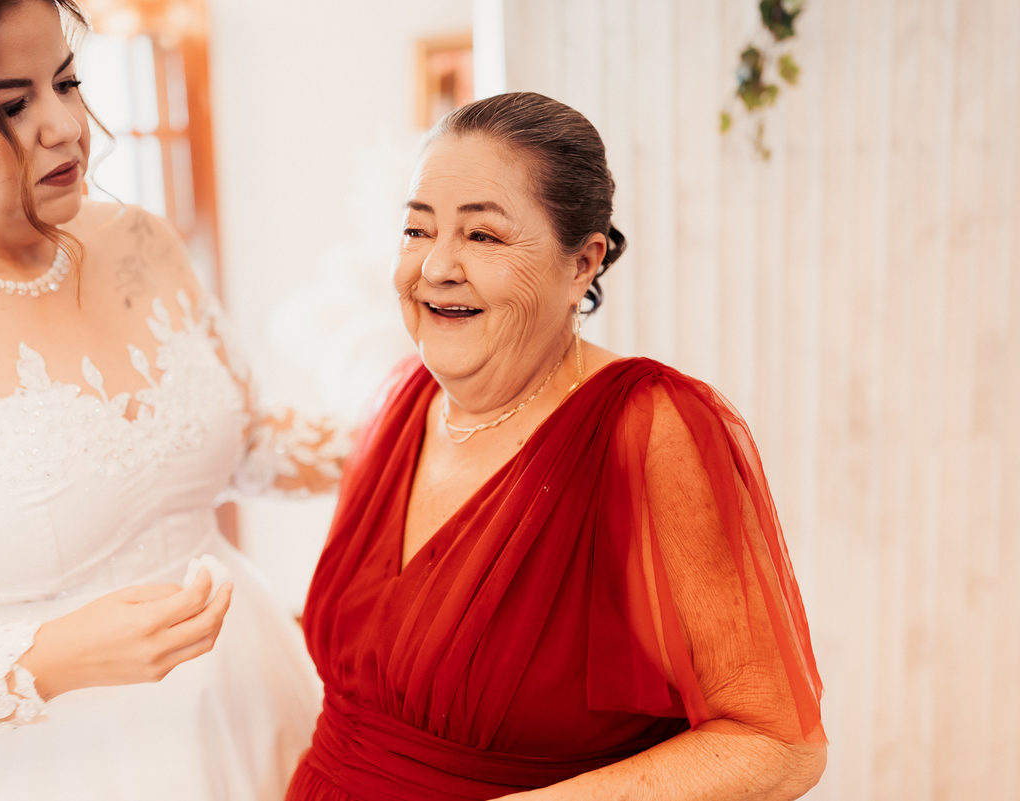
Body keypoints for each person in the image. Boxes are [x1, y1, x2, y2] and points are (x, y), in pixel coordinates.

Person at [0, 1, 339, 798]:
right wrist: (49, 656)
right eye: (11, 104)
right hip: (32, 767)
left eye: (66, 82)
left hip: (244, 702)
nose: (65, 127)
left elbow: (242, 441)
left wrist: (438, 433)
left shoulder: (139, 240)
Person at [286, 92, 826, 801]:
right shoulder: (398, 402)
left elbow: (777, 742)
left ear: (581, 265)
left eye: (482, 236)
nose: (436, 266)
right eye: (418, 230)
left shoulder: (647, 427)